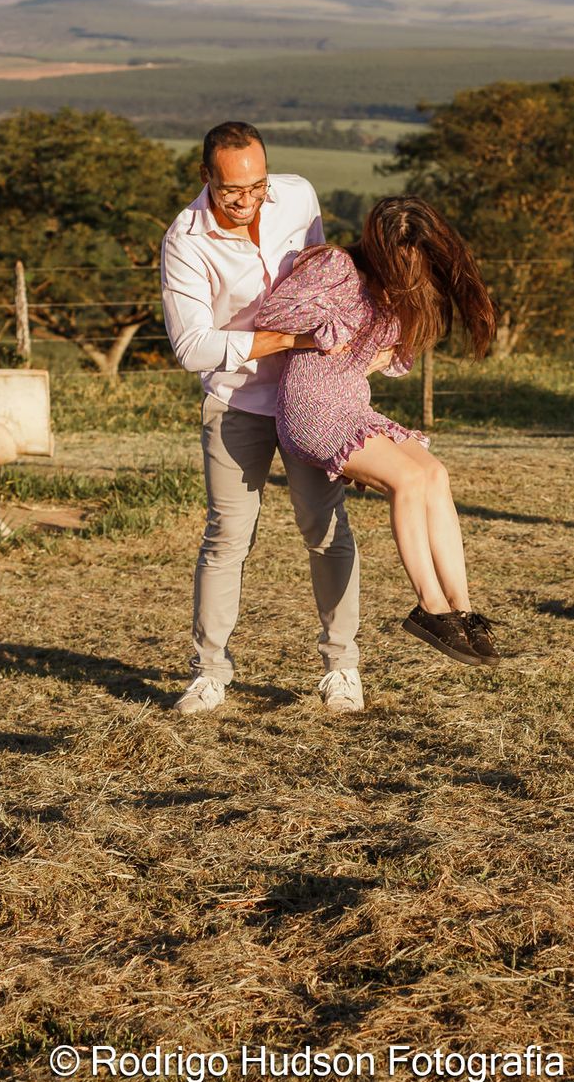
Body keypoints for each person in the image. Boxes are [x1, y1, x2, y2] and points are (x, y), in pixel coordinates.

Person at [159, 121, 366, 716]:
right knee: (227, 537)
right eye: (232, 192)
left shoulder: (297, 195)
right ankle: (209, 672)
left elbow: (324, 282)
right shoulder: (184, 239)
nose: (247, 201)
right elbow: (192, 347)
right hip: (236, 402)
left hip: (312, 396)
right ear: (206, 179)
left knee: (325, 531)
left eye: (256, 187)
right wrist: (285, 339)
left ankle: (342, 667)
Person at [253, 196, 500, 671]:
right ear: (377, 245)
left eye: (416, 257)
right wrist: (321, 335)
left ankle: (461, 608)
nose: (409, 266)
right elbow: (272, 317)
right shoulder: (335, 267)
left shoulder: (405, 280)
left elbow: (393, 356)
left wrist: (377, 354)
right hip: (312, 405)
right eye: (400, 257)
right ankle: (431, 607)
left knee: (434, 475)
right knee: (405, 482)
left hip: (352, 402)